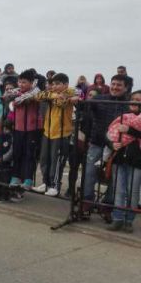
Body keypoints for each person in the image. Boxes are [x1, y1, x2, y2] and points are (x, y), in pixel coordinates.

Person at [82, 75, 129, 212]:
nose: (115, 87)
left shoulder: (129, 104)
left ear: (126, 88)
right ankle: (86, 201)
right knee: (89, 172)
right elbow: (86, 108)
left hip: (117, 146)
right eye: (113, 84)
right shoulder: (99, 99)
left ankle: (108, 205)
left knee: (114, 176)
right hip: (97, 142)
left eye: (119, 85)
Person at [33, 73, 78, 197]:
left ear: (66, 84)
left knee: (57, 160)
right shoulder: (50, 93)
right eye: (53, 84)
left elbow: (61, 103)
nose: (54, 86)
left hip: (61, 133)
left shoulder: (70, 92)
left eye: (58, 84)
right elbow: (38, 96)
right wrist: (54, 94)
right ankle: (45, 183)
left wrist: (57, 96)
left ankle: (55, 185)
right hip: (48, 131)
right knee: (44, 158)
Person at [105, 90, 141, 232]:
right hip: (119, 158)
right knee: (118, 190)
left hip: (137, 161)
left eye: (138, 99)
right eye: (133, 99)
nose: (135, 101)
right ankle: (117, 219)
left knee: (133, 192)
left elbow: (132, 132)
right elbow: (108, 133)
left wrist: (129, 130)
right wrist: (111, 144)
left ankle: (129, 220)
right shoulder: (122, 116)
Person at [5, 69, 42, 196]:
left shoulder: (36, 93)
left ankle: (28, 179)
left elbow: (24, 99)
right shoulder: (18, 91)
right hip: (18, 128)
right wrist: (14, 96)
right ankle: (15, 177)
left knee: (29, 155)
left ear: (31, 83)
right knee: (17, 153)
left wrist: (16, 100)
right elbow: (7, 94)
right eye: (19, 82)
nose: (21, 85)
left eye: (24, 82)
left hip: (31, 129)